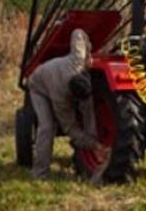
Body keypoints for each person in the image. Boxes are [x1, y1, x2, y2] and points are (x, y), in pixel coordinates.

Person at [26, 28, 109, 179]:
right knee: (47, 127)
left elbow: (78, 32)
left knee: (88, 106)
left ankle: (94, 140)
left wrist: (88, 56)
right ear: (71, 96)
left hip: (58, 73)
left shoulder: (78, 60)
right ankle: (39, 173)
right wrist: (94, 146)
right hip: (39, 87)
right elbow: (70, 128)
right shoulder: (60, 99)